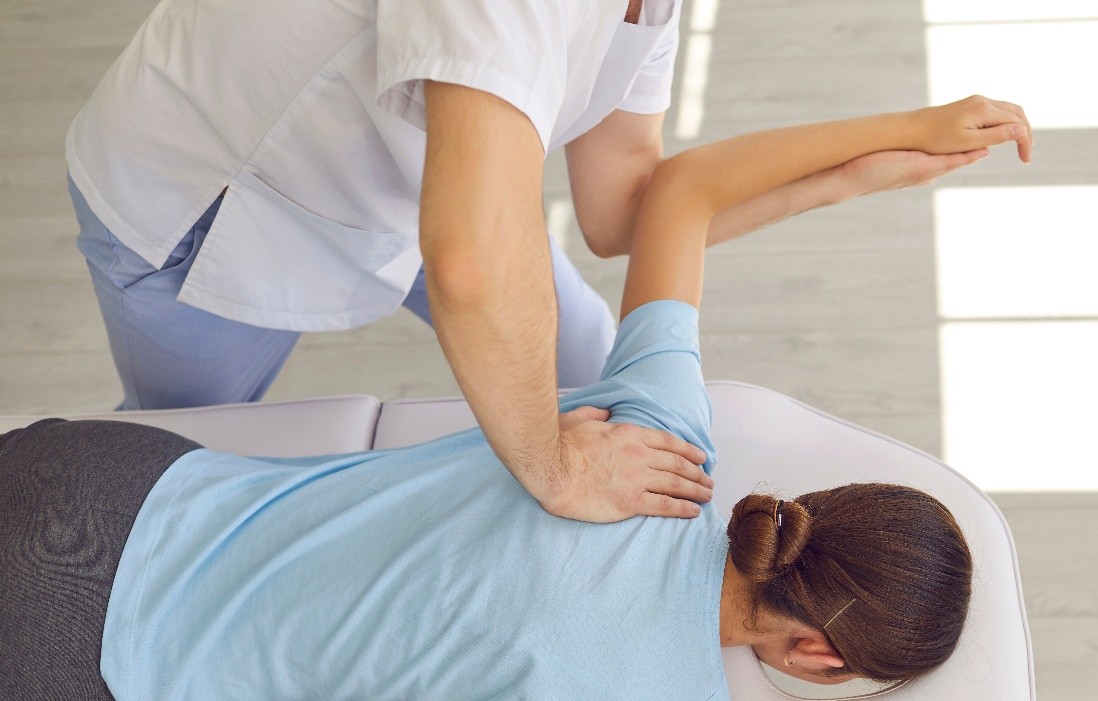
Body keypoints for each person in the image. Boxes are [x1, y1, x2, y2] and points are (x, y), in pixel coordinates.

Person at [1, 94, 1031, 701]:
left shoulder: (660, 445)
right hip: (68, 650)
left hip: (114, 476)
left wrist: (905, 132)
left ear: (809, 512)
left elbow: (683, 189)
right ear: (815, 654)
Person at [67, 0, 1012, 524]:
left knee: (602, 374)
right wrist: (556, 467)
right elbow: (472, 260)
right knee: (177, 460)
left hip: (419, 178)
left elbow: (628, 207)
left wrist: (867, 163)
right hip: (221, 195)